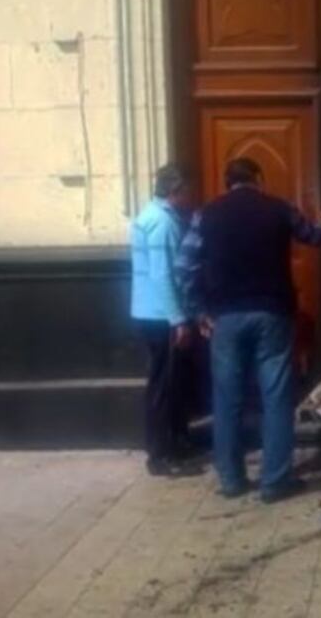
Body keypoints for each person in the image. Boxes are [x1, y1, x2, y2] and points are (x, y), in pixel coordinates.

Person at [175, 158, 321, 503]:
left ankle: (231, 480)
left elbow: (184, 267)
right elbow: (312, 236)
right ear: (258, 178)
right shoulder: (279, 208)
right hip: (272, 313)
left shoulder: (206, 214)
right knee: (276, 398)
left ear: (227, 183)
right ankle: (275, 481)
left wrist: (198, 312)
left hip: (225, 317)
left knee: (227, 399)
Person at [130, 164, 196, 477]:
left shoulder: (153, 216)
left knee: (170, 384)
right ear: (175, 191)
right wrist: (178, 320)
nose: (191, 196)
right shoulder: (162, 223)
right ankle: (160, 454)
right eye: (187, 191)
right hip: (160, 316)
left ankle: (175, 443)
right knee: (164, 387)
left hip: (151, 312)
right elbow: (162, 274)